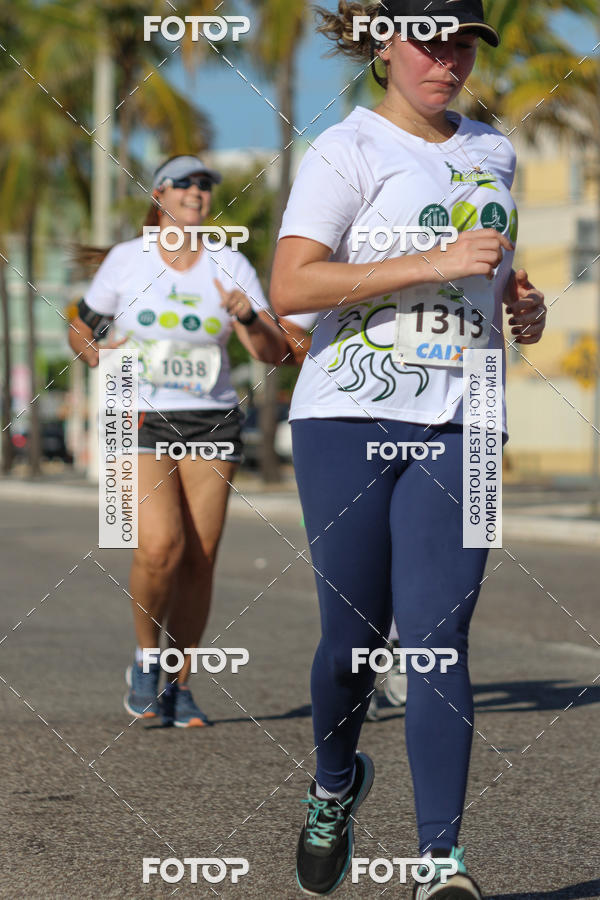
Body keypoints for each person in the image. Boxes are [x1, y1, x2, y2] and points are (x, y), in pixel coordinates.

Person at [271, 1, 546, 895]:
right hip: (347, 413)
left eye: (462, 42)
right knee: (351, 642)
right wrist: (434, 262)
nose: (447, 59)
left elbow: (495, 261)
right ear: (384, 44)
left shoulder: (494, 152)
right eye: (429, 41)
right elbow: (293, 285)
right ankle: (335, 783)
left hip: (466, 416)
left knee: (438, 637)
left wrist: (520, 300)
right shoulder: (344, 150)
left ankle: (440, 862)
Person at [69, 154, 288, 727]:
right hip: (138, 415)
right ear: (161, 193)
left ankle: (179, 685)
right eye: (185, 183)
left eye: (205, 185)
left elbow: (269, 352)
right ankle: (144, 661)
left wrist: (247, 316)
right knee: (160, 546)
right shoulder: (126, 260)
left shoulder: (230, 262)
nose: (197, 192)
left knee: (200, 558)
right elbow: (80, 324)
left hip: (211, 419)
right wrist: (95, 355)